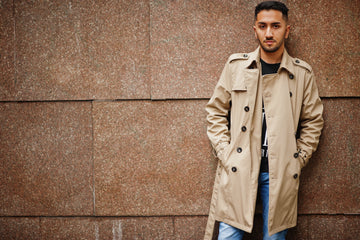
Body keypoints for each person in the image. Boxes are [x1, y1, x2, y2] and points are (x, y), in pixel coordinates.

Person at [204, 1, 324, 239]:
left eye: (276, 26)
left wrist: (297, 159)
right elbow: (216, 111)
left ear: (287, 30)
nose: (269, 33)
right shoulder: (236, 66)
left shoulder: (301, 74)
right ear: (255, 29)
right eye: (263, 26)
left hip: (279, 172)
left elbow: (313, 121)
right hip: (239, 168)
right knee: (228, 236)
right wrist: (225, 152)